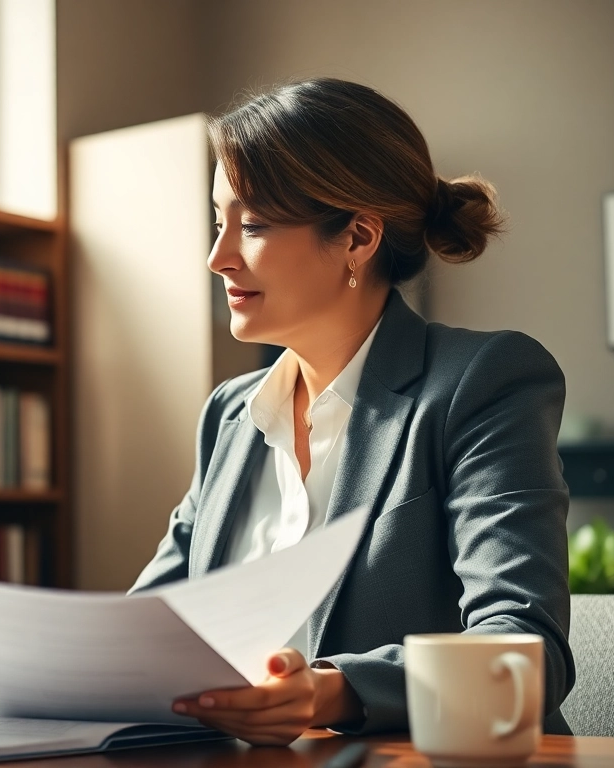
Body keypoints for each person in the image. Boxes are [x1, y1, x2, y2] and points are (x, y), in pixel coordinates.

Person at [131, 78, 574, 745]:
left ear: (358, 238)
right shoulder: (228, 415)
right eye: (218, 222)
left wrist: (329, 692)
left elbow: (524, 650)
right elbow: (143, 632)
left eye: (251, 226)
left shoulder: (483, 382)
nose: (217, 258)